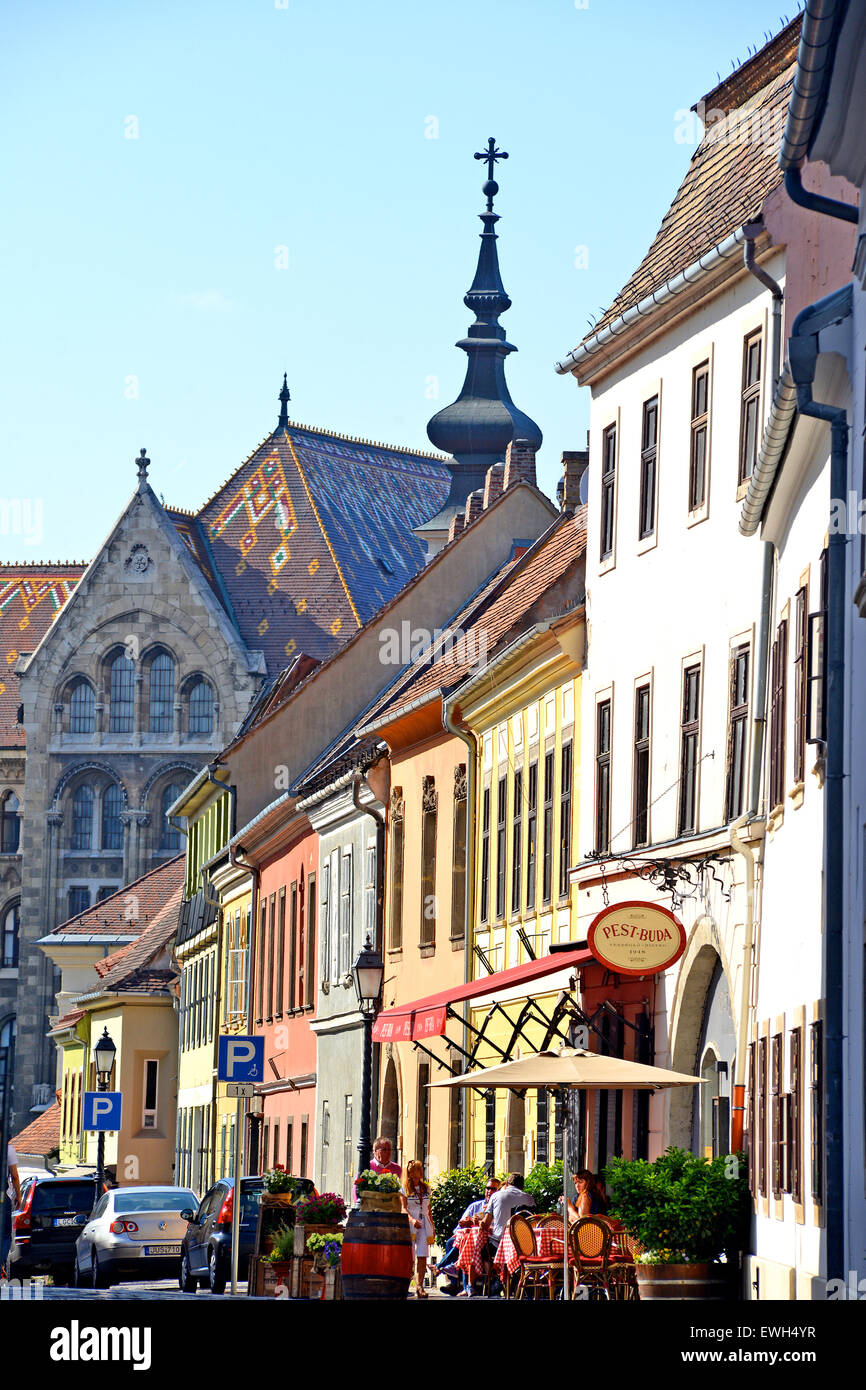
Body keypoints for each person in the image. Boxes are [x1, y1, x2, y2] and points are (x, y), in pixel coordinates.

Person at [436, 1177, 501, 1295]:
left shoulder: (498, 1207)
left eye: (493, 1189)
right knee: (451, 1242)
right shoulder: (475, 1206)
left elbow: (494, 1226)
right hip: (470, 1237)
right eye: (488, 1188)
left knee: (469, 1244)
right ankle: (454, 1282)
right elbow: (459, 1227)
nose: (489, 1191)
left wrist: (477, 1223)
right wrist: (465, 1223)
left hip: (487, 1240)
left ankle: (444, 1269)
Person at [401, 1160, 434, 1298]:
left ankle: (420, 1286)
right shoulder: (404, 1189)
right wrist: (412, 1220)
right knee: (409, 1257)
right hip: (411, 1225)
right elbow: (403, 1208)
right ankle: (405, 1285)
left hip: (424, 1224)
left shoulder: (426, 1188)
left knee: (422, 1255)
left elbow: (428, 1208)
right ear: (411, 1172)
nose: (421, 1171)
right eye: (418, 1169)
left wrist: (432, 1226)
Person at [484, 1172, 536, 1253]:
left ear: (507, 1184)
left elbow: (486, 1223)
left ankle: (493, 1265)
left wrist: (478, 1222)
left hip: (499, 1243)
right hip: (523, 1246)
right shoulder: (530, 1198)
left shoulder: (496, 1196)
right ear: (522, 1187)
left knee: (483, 1253)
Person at [353, 1135, 401, 1205]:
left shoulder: (397, 1169)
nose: (388, 1152)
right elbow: (356, 1189)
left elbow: (402, 1190)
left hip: (391, 1209)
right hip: (371, 1208)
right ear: (375, 1151)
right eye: (384, 1149)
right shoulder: (367, 1167)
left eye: (389, 1149)